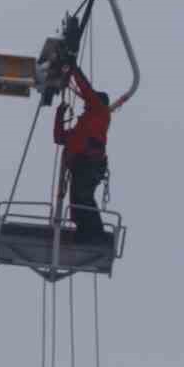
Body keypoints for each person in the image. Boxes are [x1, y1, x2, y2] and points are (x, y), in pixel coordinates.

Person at [53, 64, 113, 242]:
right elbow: (60, 138)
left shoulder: (100, 112)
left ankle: (95, 233)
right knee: (77, 202)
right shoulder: (80, 129)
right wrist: (59, 115)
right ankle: (84, 231)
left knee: (83, 197)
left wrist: (73, 68)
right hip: (81, 165)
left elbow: (86, 90)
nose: (87, 103)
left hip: (89, 164)